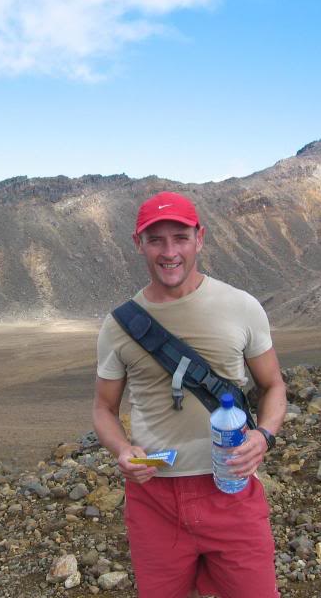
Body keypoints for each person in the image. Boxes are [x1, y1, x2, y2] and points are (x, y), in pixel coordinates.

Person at [92, 191, 286, 598]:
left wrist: (263, 436)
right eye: (155, 240)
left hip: (231, 491)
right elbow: (104, 409)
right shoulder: (119, 325)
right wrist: (122, 451)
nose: (169, 252)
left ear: (199, 238)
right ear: (138, 244)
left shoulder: (242, 307)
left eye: (179, 237)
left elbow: (273, 385)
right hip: (154, 501)